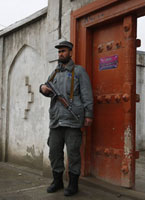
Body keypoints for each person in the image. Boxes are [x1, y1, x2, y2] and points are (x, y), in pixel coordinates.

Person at [40, 41, 93, 196]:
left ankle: (73, 184)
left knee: (73, 153)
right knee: (54, 152)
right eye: (59, 52)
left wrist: (89, 114)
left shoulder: (79, 71)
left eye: (63, 51)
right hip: (56, 120)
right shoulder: (55, 72)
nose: (60, 54)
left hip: (72, 119)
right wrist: (42, 88)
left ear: (70, 52)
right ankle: (57, 181)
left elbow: (87, 94)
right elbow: (45, 85)